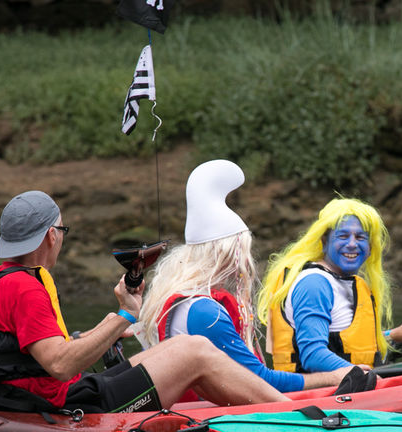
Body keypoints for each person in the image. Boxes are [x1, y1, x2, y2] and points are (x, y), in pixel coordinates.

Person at [0, 189, 289, 413]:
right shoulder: (26, 288)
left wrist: (108, 327)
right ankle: (290, 414)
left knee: (180, 348)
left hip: (37, 395)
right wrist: (124, 314)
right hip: (67, 403)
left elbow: (36, 353)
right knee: (194, 352)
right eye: (62, 230)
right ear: (51, 235)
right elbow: (61, 365)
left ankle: (266, 407)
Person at [138, 160, 352, 392]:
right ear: (226, 256)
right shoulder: (205, 312)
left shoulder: (178, 296)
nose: (245, 264)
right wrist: (333, 377)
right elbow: (260, 381)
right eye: (243, 253)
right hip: (200, 419)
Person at [256, 198, 402, 374]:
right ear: (324, 241)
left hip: (347, 390)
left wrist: (392, 335)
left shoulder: (349, 282)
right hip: (316, 394)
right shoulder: (314, 284)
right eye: (343, 236)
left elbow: (339, 340)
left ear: (370, 247)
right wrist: (359, 373)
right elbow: (312, 356)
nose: (352, 244)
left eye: (360, 237)